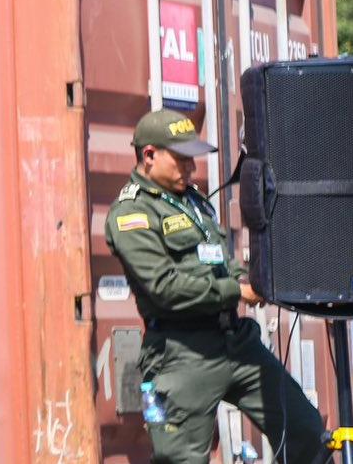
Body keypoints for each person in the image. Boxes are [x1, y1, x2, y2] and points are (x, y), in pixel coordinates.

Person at [107, 109, 328, 464]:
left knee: (308, 434)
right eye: (181, 159)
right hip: (181, 355)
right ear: (149, 155)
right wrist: (236, 291)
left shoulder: (192, 201)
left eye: (192, 159)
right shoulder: (131, 214)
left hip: (236, 342)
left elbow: (218, 261)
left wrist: (249, 279)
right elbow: (163, 287)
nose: (191, 168)